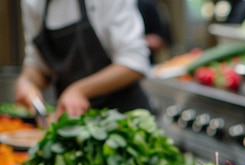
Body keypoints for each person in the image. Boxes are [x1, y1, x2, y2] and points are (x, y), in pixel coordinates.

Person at [15, 0, 152, 118]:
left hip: (124, 120)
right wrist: (27, 82)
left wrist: (79, 90)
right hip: (72, 126)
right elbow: (39, 65)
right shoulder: (33, 3)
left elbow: (134, 62)